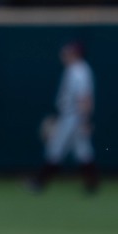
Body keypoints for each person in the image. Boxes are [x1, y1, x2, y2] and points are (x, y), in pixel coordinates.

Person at [29, 41, 97, 193]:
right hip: (72, 116)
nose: (64, 55)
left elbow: (84, 98)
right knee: (83, 151)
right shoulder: (74, 70)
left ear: (75, 54)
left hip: (73, 117)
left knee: (55, 149)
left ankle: (39, 182)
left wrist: (85, 121)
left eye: (68, 53)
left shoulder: (79, 71)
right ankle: (92, 184)